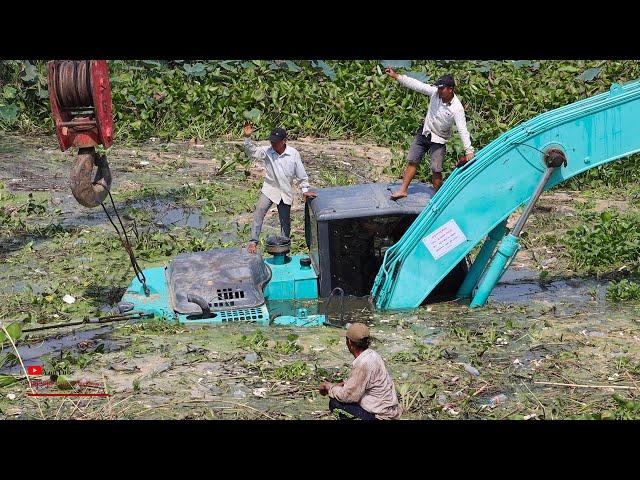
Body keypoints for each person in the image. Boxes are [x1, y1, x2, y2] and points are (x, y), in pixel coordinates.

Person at [385, 68, 475, 198]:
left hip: (439, 139)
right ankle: (403, 190)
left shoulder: (457, 108)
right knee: (412, 161)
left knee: (436, 169)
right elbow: (417, 85)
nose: (439, 90)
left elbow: (462, 129)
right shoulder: (435, 93)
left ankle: (438, 198)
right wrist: (397, 76)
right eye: (438, 88)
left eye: (442, 89)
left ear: (450, 89)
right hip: (425, 132)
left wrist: (469, 150)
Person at [243, 123, 317, 253]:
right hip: (270, 188)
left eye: (276, 142)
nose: (273, 144)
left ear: (284, 141)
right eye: (272, 142)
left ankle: (284, 247)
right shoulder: (267, 151)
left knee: (285, 221)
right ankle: (253, 242)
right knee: (259, 212)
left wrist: (304, 191)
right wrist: (247, 138)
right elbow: (251, 152)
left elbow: (301, 175)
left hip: (285, 191)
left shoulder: (293, 154)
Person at [319, 322, 401, 420]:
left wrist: (330, 388)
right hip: (388, 411)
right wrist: (341, 385)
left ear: (349, 342)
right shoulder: (372, 355)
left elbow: (347, 396)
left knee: (335, 403)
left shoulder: (363, 363)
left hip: (380, 416)